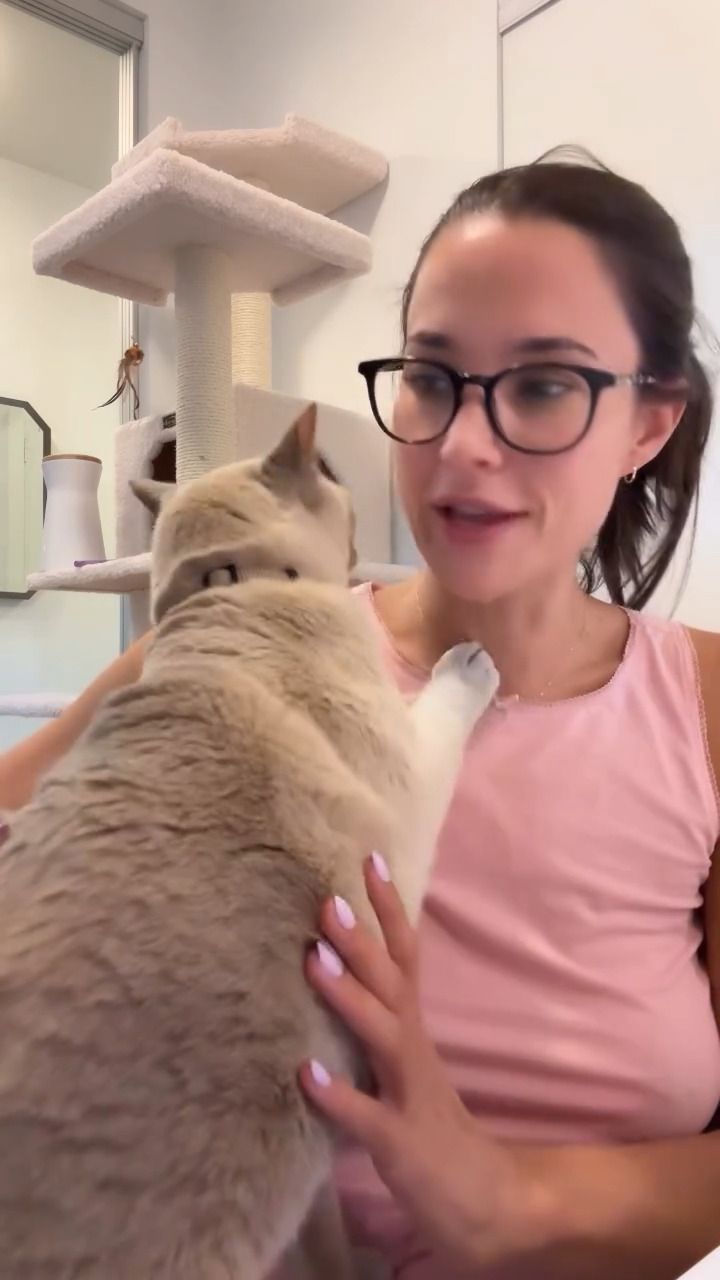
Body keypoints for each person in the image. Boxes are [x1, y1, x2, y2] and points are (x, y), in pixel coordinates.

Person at [1, 157, 718, 1280]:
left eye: (543, 385)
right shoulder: (228, 641)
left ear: (648, 425)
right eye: (432, 376)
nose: (464, 443)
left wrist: (504, 1196)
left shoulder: (703, 704)